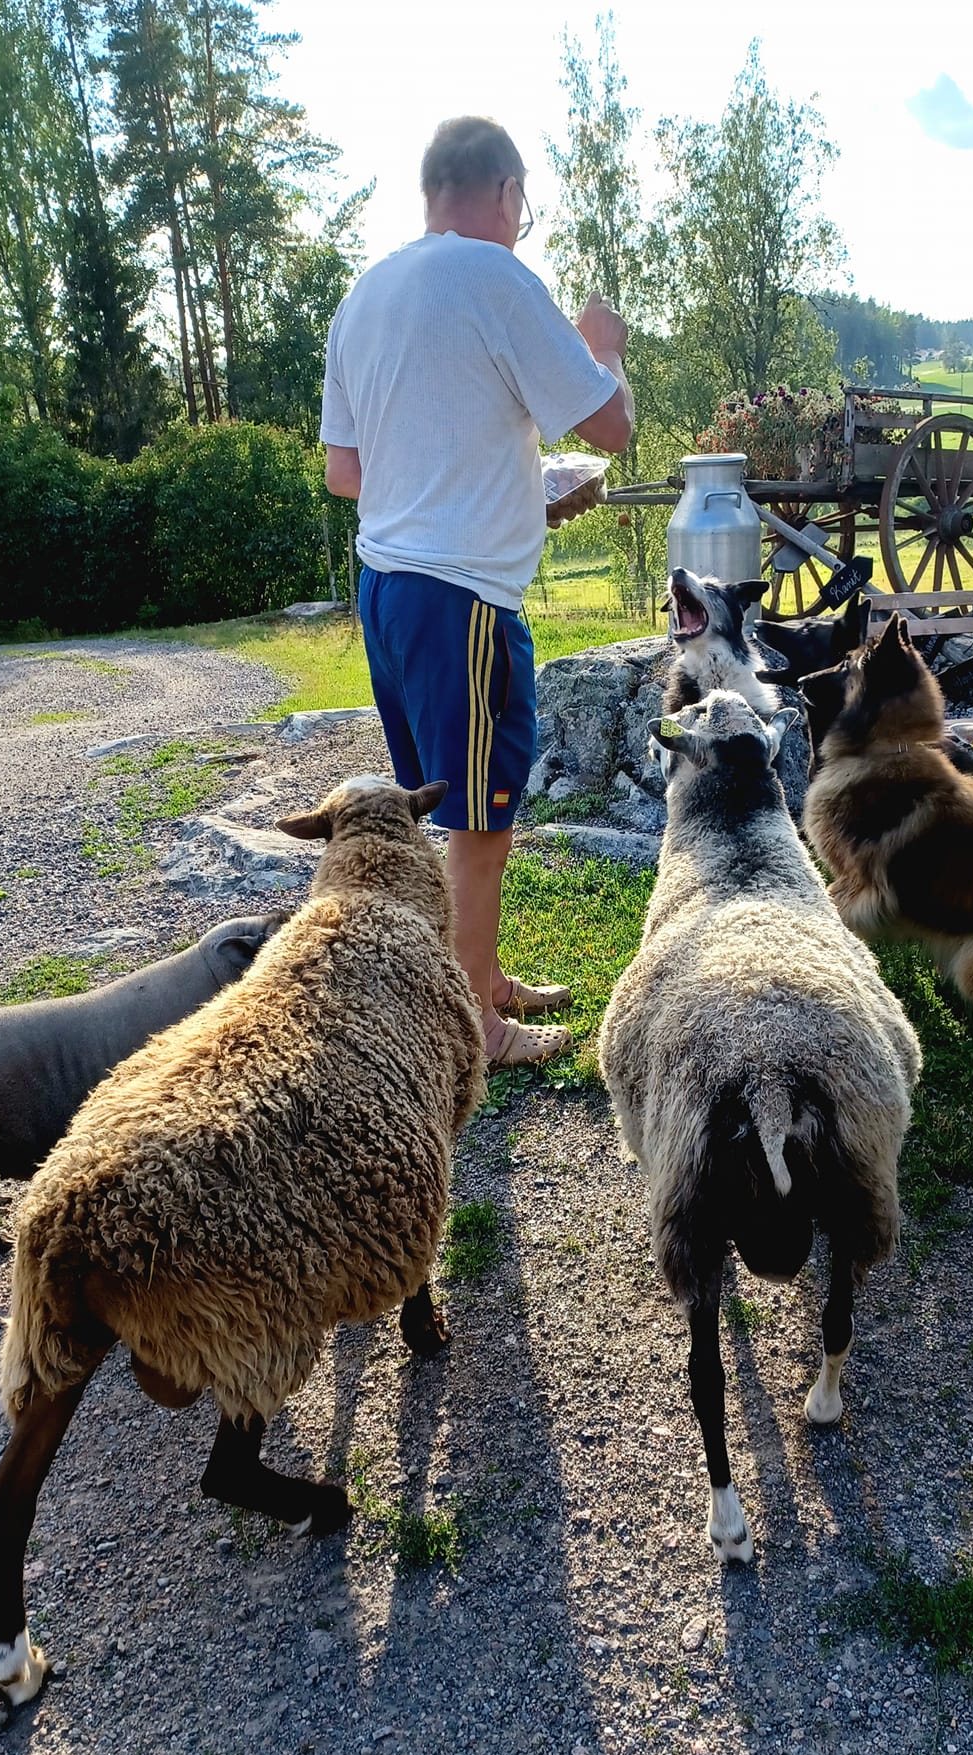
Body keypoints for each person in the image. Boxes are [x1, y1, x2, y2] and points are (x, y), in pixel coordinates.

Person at [321, 115, 633, 1066]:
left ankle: (479, 980)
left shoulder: (367, 295)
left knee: (445, 805)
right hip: (461, 602)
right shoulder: (496, 277)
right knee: (481, 820)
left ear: (430, 190)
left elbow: (346, 472)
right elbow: (611, 427)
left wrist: (490, 490)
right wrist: (605, 349)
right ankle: (476, 1031)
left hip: (386, 592)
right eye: (522, 204)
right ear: (506, 191)